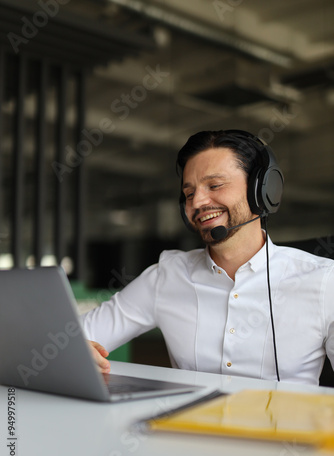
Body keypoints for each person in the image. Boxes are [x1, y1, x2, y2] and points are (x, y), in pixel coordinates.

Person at [83, 129, 334, 385]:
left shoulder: (325, 281)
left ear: (262, 189)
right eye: (189, 193)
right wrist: (77, 351)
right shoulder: (167, 275)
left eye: (214, 185)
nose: (197, 202)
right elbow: (73, 338)